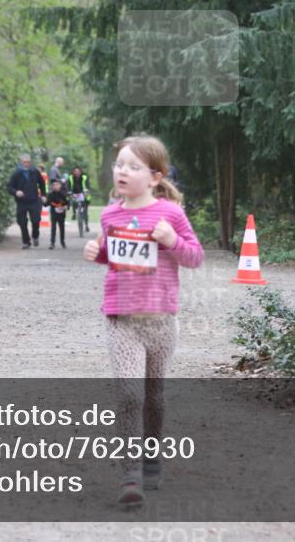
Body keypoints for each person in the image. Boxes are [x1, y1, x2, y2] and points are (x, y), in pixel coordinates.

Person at [82, 134, 204, 507]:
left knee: (154, 397)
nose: (123, 171)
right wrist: (98, 252)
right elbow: (116, 258)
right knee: (130, 394)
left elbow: (195, 257)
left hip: (161, 320)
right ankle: (130, 474)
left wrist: (170, 241)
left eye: (133, 166)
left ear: (154, 177)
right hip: (122, 318)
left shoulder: (170, 214)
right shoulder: (109, 213)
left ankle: (153, 457)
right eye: (119, 164)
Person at [6, 154, 46, 249]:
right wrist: (16, 192)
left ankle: (35, 236)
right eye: (24, 162)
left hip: (34, 200)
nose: (26, 164)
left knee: (36, 220)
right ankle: (26, 241)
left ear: (30, 162)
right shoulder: (16, 173)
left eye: (28, 162)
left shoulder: (35, 171)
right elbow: (9, 187)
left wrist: (44, 195)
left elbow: (42, 183)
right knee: (22, 222)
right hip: (22, 202)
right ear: (21, 162)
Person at [46, 180, 69, 249]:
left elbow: (67, 203)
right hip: (54, 213)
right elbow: (46, 204)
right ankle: (52, 243)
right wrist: (43, 201)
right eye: (53, 185)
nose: (55, 186)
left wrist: (66, 206)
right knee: (53, 228)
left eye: (57, 185)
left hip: (61, 213)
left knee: (62, 227)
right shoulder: (50, 194)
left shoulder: (63, 194)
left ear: (60, 186)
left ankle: (62, 242)